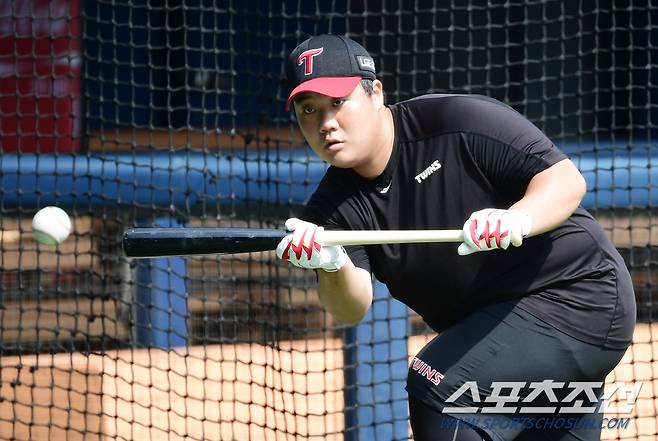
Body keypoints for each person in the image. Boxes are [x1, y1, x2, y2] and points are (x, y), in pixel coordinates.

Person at [275, 34, 636, 441]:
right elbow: (351, 307)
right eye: (309, 110)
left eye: (338, 102)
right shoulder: (330, 210)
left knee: (437, 388)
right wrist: (334, 262)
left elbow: (565, 180)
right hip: (501, 337)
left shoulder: (455, 120)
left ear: (375, 92)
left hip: (579, 297)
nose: (325, 123)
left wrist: (516, 219)